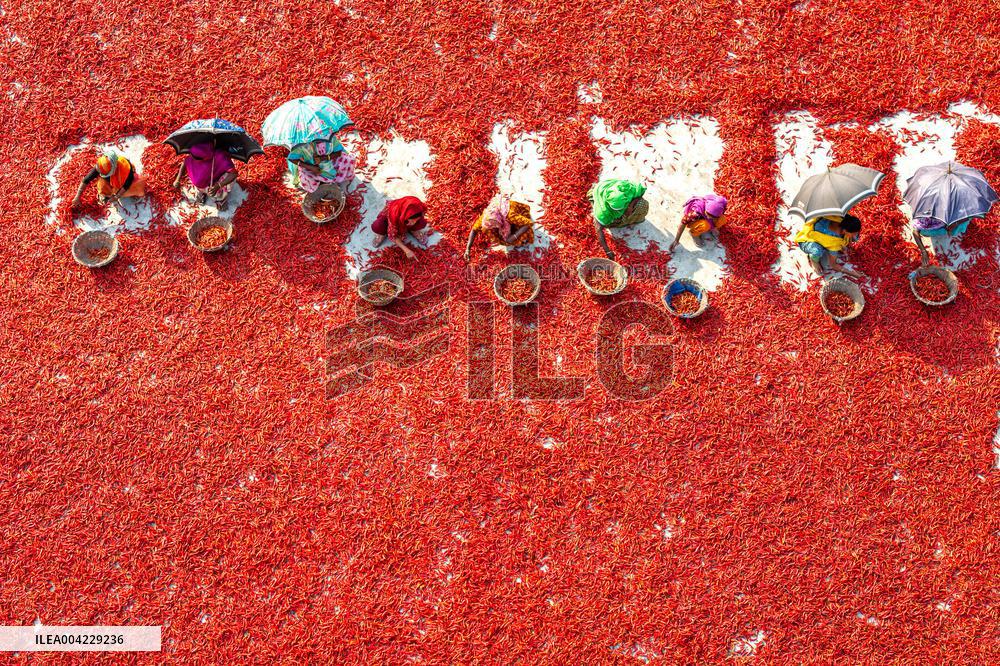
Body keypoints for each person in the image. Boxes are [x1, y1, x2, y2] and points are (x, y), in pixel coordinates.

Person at [590, 179, 648, 260]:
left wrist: (631, 205)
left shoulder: (626, 190)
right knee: (606, 222)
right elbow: (598, 229)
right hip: (601, 193)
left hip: (610, 188)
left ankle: (632, 218)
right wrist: (607, 251)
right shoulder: (603, 211)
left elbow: (641, 192)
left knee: (642, 204)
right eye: (616, 210)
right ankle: (594, 201)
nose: (620, 212)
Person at [172, 140, 238, 211]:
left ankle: (220, 199)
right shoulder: (194, 154)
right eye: (192, 156)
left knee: (227, 181)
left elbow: (234, 173)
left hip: (215, 182)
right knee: (201, 184)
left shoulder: (219, 156)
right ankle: (202, 192)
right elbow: (185, 162)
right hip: (201, 183)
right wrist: (178, 179)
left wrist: (218, 185)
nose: (193, 158)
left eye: (197, 158)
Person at [464, 195, 534, 260]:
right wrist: (468, 249)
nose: (492, 228)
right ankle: (507, 233)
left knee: (526, 233)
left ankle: (515, 236)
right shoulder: (485, 219)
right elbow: (474, 230)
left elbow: (529, 223)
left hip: (516, 212)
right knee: (486, 230)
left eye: (494, 226)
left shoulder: (510, 216)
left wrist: (514, 236)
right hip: (501, 219)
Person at [795, 213, 865, 279]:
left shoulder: (840, 217)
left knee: (855, 238)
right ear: (845, 231)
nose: (855, 235)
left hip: (819, 229)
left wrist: (846, 245)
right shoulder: (834, 241)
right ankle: (813, 260)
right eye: (853, 233)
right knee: (817, 252)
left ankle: (822, 247)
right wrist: (852, 273)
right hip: (808, 239)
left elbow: (850, 236)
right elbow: (833, 265)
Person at [71, 149, 146, 209]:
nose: (104, 175)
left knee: (138, 183)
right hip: (113, 182)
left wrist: (117, 196)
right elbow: (86, 180)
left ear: (114, 168)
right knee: (102, 184)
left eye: (107, 174)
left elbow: (126, 185)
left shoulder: (125, 168)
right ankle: (106, 194)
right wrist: (77, 197)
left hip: (123, 182)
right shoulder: (101, 165)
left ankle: (130, 194)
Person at [287, 137, 355, 193]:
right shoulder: (300, 144)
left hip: (330, 159)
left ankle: (334, 178)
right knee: (305, 177)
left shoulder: (327, 135)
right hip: (311, 166)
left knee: (347, 160)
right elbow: (291, 158)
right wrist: (311, 167)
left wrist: (322, 158)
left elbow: (338, 152)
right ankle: (320, 183)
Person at [910, 216, 976, 266]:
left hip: (952, 221)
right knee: (924, 232)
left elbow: (968, 216)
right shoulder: (926, 214)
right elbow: (915, 231)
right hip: (938, 226)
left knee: (965, 221)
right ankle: (943, 229)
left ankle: (951, 227)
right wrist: (923, 251)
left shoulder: (956, 203)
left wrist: (955, 223)